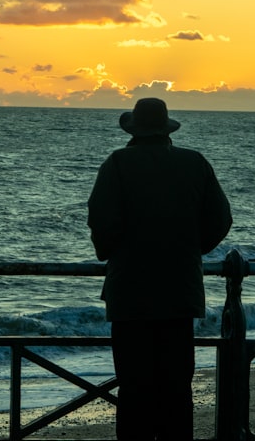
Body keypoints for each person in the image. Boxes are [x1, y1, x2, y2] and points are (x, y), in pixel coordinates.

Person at [87, 97, 232, 441]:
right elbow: (221, 218)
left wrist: (111, 251)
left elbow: (101, 220)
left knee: (134, 388)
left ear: (134, 130)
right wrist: (189, 251)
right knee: (176, 389)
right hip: (179, 293)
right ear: (167, 130)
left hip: (130, 295)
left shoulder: (118, 163)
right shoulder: (195, 163)